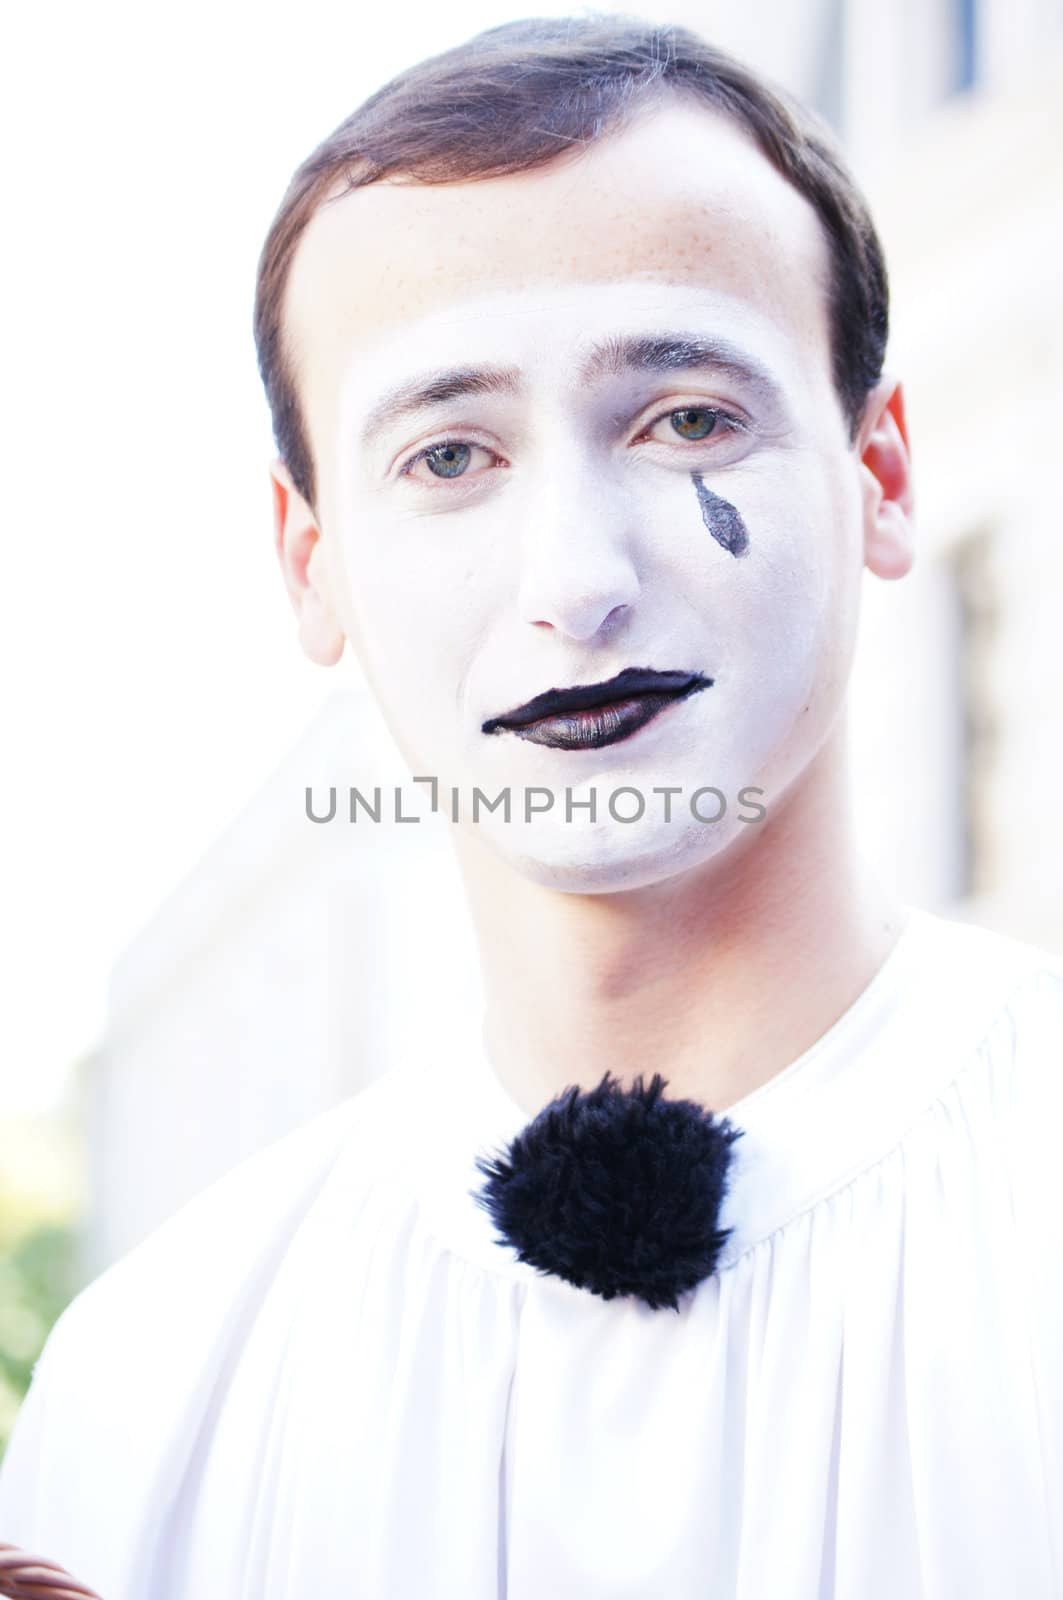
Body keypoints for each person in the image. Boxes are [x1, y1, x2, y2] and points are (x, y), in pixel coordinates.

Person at [1, 14, 1061, 1598]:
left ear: (881, 475)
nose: (576, 585)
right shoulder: (150, 1392)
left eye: (688, 417)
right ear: (313, 564)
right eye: (449, 456)